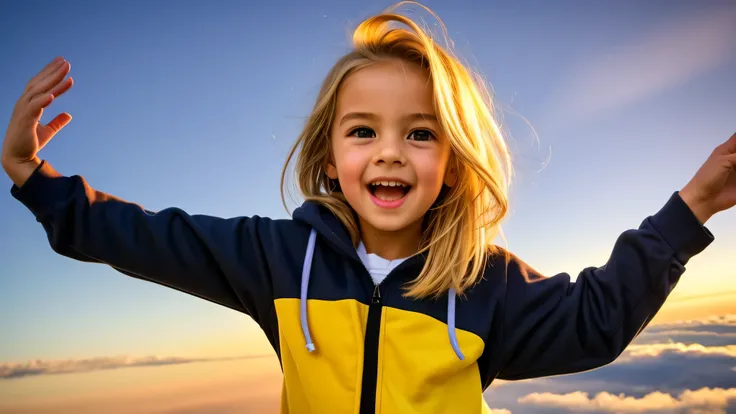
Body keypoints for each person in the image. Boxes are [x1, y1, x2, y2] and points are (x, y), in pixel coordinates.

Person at [2, 3, 734, 414]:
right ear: (329, 158)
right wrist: (35, 177)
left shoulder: (484, 282)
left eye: (420, 134)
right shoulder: (277, 259)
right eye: (364, 132)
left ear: (450, 163)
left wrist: (693, 205)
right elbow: (145, 238)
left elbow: (594, 321)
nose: (389, 153)